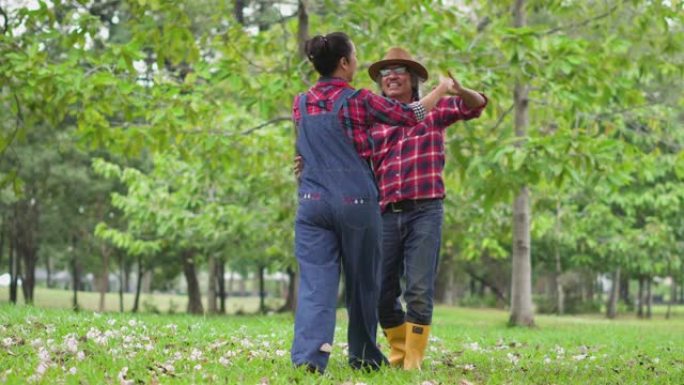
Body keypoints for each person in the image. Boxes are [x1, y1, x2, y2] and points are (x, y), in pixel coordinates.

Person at [291, 33, 457, 374]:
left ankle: (309, 358)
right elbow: (411, 114)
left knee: (315, 284)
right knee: (364, 283)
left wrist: (302, 165)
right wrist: (441, 89)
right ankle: (364, 356)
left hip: (311, 201)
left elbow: (304, 149)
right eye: (354, 57)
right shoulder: (359, 100)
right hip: (355, 200)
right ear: (344, 63)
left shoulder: (301, 102)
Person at [368, 47, 487, 370]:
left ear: (415, 79)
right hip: (385, 214)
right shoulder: (373, 122)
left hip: (425, 211)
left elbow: (476, 105)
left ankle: (413, 362)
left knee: (419, 289)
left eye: (399, 70)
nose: (391, 76)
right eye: (385, 72)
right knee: (381, 290)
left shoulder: (436, 111)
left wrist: (459, 89)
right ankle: (399, 353)